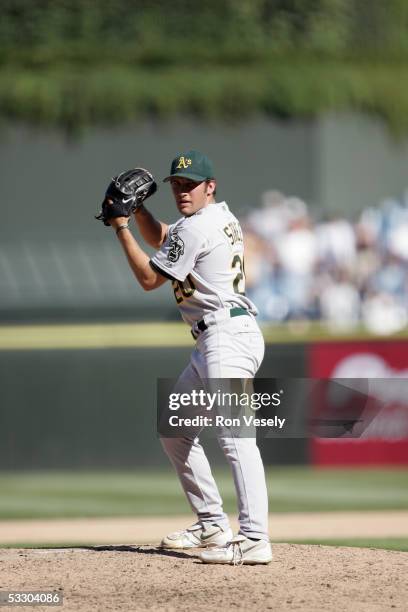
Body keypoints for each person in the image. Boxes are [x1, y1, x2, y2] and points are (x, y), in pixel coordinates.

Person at [107, 150, 272, 565]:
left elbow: (149, 278)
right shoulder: (214, 220)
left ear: (210, 186)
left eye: (191, 184)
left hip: (226, 335)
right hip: (216, 338)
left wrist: (121, 225)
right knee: (175, 430)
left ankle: (254, 539)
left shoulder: (199, 226)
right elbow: (167, 240)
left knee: (236, 438)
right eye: (176, 184)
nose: (182, 191)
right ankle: (212, 523)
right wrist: (142, 211)